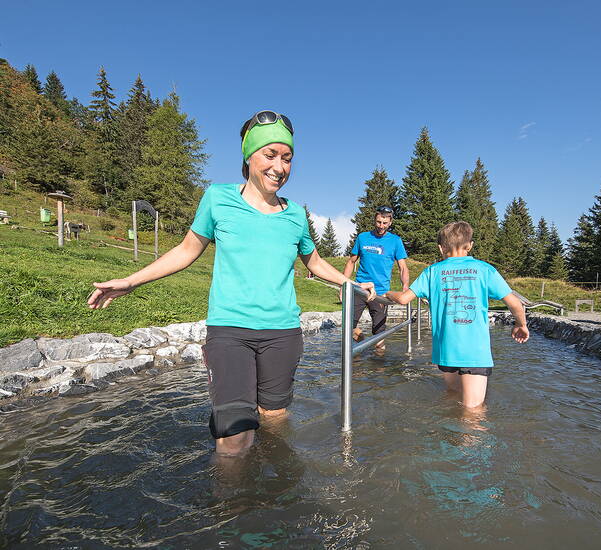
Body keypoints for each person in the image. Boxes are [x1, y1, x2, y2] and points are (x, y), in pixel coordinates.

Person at [87, 110, 376, 456]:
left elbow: (313, 261)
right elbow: (186, 250)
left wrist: (351, 283)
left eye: (287, 158)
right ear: (248, 155)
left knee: (274, 418)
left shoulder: (296, 214)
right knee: (234, 434)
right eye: (270, 155)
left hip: (282, 333)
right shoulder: (218, 198)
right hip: (230, 330)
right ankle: (232, 505)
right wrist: (132, 281)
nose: (279, 167)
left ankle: (271, 496)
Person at [385, 221, 529, 408]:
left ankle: (447, 435)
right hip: (475, 352)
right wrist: (521, 324)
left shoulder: (431, 272)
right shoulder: (484, 269)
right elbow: (515, 304)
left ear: (441, 248)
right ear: (470, 245)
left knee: (452, 397)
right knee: (473, 411)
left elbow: (404, 299)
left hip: (446, 350)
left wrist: (387, 293)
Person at [342, 206, 409, 351]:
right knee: (347, 327)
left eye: (385, 223)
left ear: (390, 222)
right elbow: (351, 261)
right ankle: (360, 341)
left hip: (380, 293)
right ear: (375, 220)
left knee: (379, 336)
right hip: (360, 288)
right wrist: (343, 285)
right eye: (379, 222)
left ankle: (379, 368)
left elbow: (403, 267)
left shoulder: (395, 241)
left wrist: (405, 287)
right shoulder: (363, 237)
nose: (381, 226)